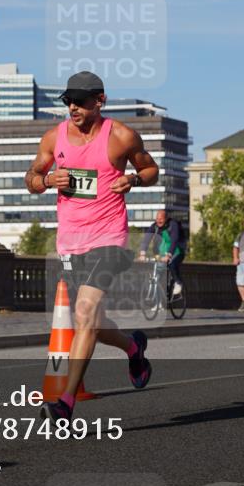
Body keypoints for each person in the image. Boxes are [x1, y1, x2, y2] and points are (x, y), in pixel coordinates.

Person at [25, 71, 159, 421]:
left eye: (80, 101)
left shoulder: (121, 136)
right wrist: (46, 179)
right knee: (93, 322)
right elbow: (31, 178)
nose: (73, 107)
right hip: (71, 242)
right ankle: (134, 348)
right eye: (68, 101)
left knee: (85, 312)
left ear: (100, 100)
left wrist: (132, 179)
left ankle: (65, 402)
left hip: (109, 238)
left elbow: (152, 170)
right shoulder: (54, 138)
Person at [139, 209, 185, 296]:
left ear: (166, 218)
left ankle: (178, 282)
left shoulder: (173, 225)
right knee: (156, 274)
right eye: (157, 218)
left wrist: (169, 255)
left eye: (161, 219)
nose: (158, 221)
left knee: (172, 264)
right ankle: (159, 300)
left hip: (177, 251)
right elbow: (146, 238)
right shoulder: (154, 226)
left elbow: (174, 240)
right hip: (162, 252)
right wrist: (142, 252)